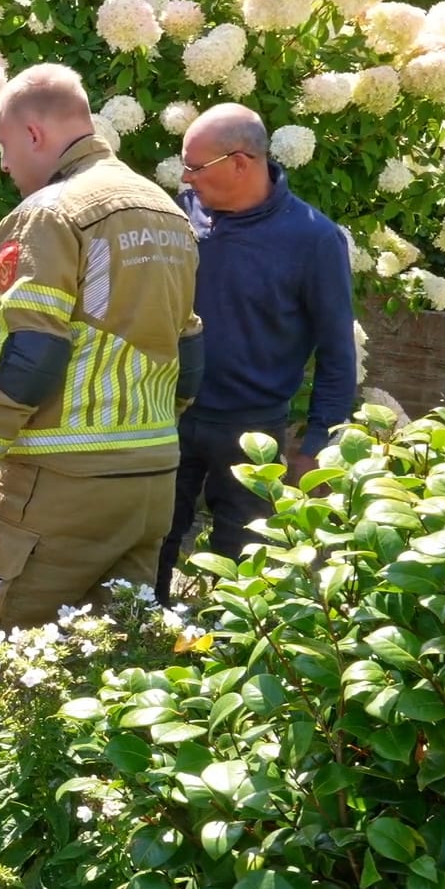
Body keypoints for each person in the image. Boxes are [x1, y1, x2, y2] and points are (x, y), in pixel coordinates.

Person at [0, 63, 204, 882]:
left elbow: (30, 356)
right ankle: (81, 825)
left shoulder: (47, 214)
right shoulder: (166, 211)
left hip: (54, 481)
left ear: (35, 132)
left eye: (3, 145)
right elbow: (194, 354)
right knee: (112, 646)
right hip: (150, 482)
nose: (4, 163)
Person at [154, 103, 355, 605]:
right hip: (164, 414)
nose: (185, 177)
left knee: (243, 568)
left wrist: (314, 448)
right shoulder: (183, 213)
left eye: (195, 166)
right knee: (146, 542)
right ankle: (135, 643)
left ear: (241, 162)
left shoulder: (313, 239)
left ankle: (224, 666)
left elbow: (336, 351)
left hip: (251, 432)